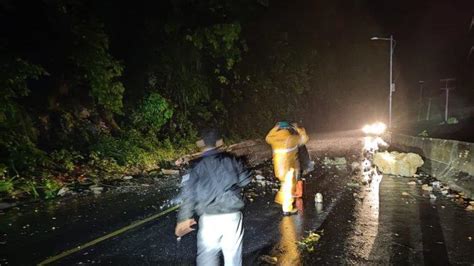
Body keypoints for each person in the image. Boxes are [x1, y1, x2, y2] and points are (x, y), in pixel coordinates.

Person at [175, 129, 251, 266]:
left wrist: (184, 218)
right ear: (220, 142)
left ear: (201, 144)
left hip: (209, 218)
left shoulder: (196, 165)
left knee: (207, 256)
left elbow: (188, 194)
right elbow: (246, 180)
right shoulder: (231, 159)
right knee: (233, 256)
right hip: (232, 215)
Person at [265, 121, 306, 215]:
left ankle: (282, 201)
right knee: (289, 187)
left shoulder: (274, 138)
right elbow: (304, 139)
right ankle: (287, 209)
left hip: (278, 168)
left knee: (285, 185)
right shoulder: (291, 138)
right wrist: (298, 129)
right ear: (288, 129)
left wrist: (275, 128)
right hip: (289, 167)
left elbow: (267, 138)